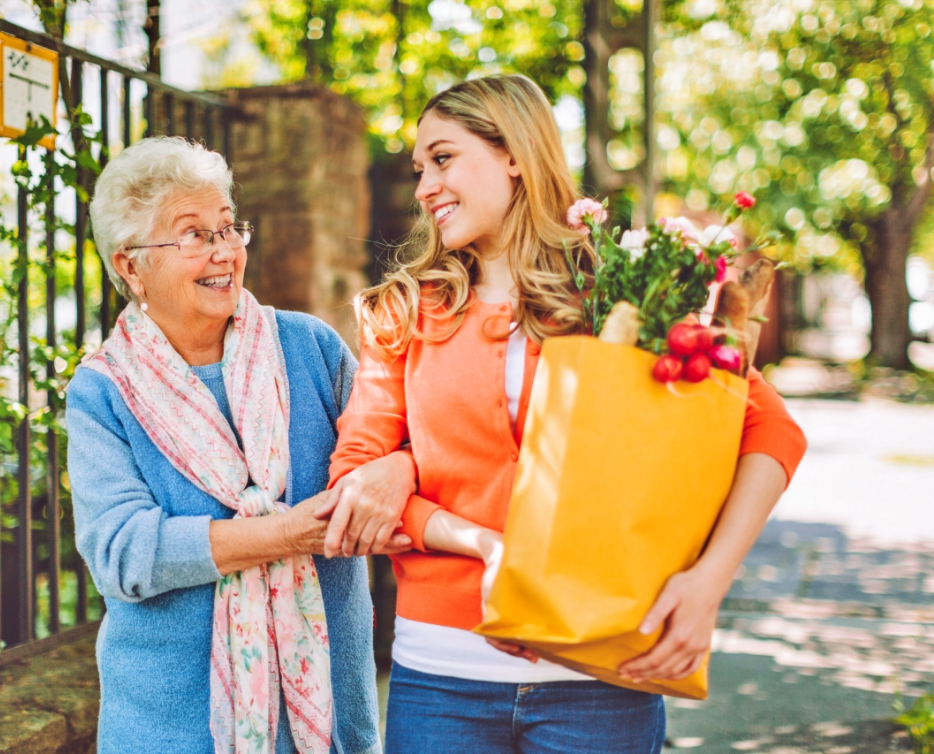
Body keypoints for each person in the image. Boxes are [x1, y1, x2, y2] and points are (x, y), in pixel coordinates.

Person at [323, 75, 808, 753]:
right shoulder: (406, 312)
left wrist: (706, 584)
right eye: (418, 170)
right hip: (441, 678)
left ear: (514, 154)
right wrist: (475, 536)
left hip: (602, 674)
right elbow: (354, 484)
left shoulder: (622, 293)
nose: (424, 186)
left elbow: (769, 429)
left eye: (442, 159)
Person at [66, 136, 415, 754]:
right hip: (171, 727)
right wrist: (286, 535)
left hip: (326, 713)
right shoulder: (103, 391)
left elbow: (399, 450)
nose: (224, 250)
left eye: (228, 228)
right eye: (193, 234)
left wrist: (393, 471)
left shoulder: (309, 348)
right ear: (129, 265)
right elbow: (123, 552)